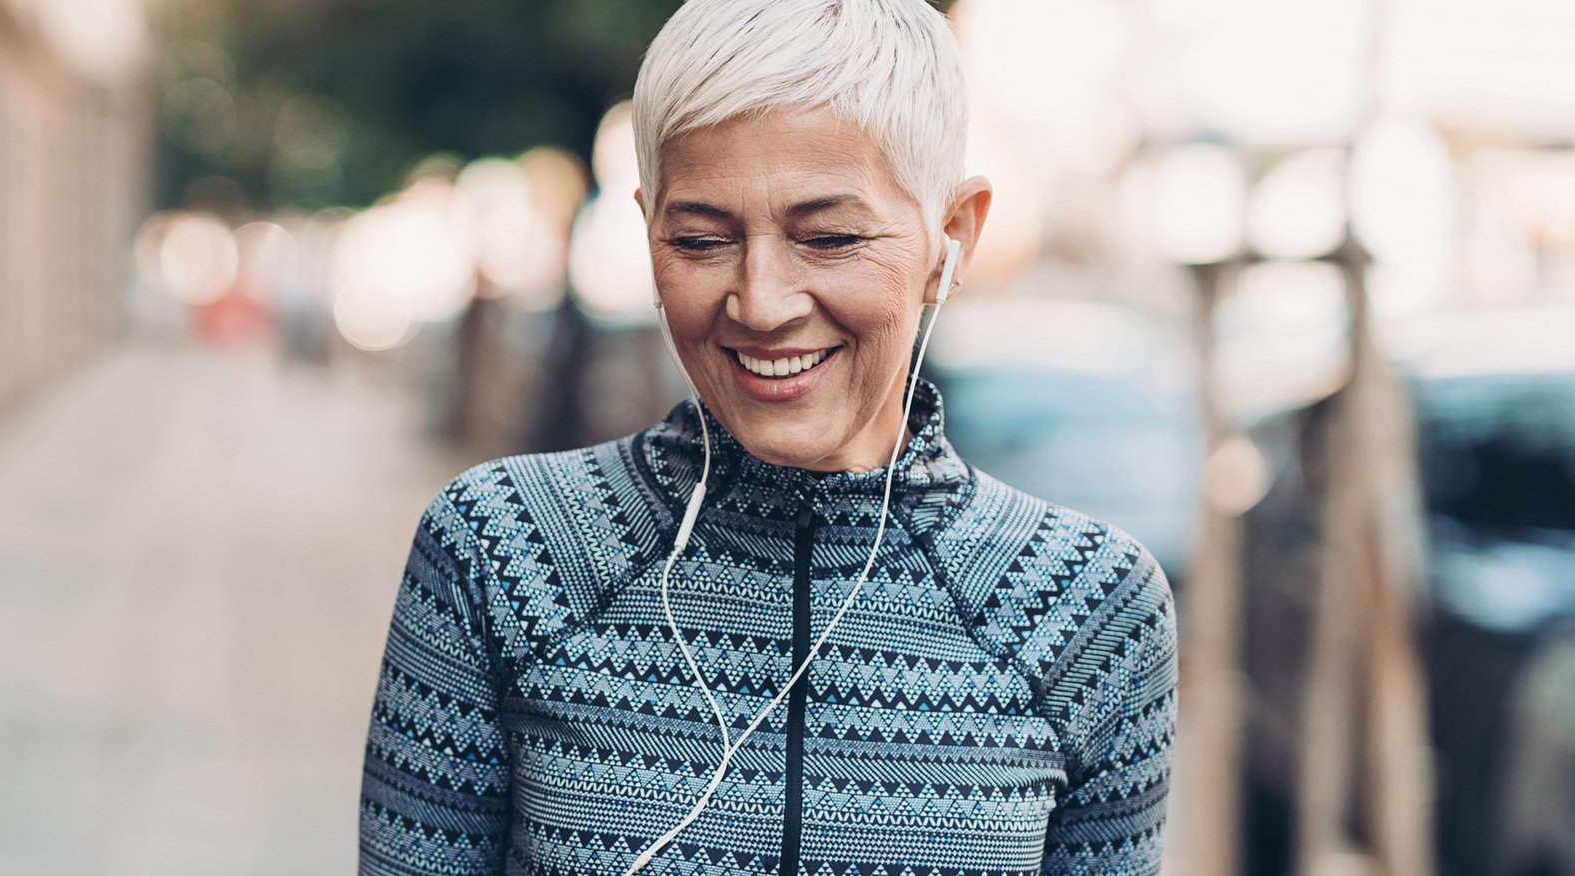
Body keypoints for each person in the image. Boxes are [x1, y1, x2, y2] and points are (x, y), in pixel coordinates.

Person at [357, 1, 1177, 874]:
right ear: (648, 232)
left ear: (953, 238)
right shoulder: (502, 548)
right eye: (701, 240)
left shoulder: (1090, 608)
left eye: (829, 238)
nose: (761, 301)